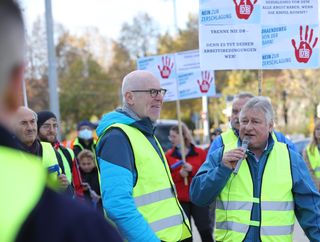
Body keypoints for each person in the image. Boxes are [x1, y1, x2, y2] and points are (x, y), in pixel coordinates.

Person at [0, 1, 122, 241]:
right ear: (17, 83)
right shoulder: (78, 227)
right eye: (46, 125)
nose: (33, 128)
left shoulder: (62, 154)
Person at [190, 96, 320, 241]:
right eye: (244, 121)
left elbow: (310, 210)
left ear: (270, 126)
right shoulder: (222, 154)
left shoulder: (290, 158)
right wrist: (222, 170)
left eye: (255, 121)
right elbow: (198, 197)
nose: (248, 127)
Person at [96, 70, 191, 241]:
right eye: (152, 92)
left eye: (161, 92)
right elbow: (117, 205)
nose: (160, 98)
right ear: (130, 97)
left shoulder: (144, 132)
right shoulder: (117, 137)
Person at [207, 92, 296, 157]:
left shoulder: (280, 140)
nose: (238, 116)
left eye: (242, 111)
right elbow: (202, 180)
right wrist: (222, 169)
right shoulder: (220, 142)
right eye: (234, 111)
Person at [165, 123, 213, 242]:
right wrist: (179, 175)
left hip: (198, 198)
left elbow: (209, 173)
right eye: (170, 137)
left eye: (173, 136)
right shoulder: (168, 156)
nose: (171, 139)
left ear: (183, 136)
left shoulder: (200, 153)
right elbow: (166, 178)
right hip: (180, 200)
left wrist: (192, 170)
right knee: (186, 234)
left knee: (204, 229)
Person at [12, 106, 69, 191]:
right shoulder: (5, 153)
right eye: (23, 123)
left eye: (32, 122)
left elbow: (67, 190)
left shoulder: (50, 150)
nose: (30, 128)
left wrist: (64, 186)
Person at [37, 110, 73, 183]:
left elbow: (74, 185)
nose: (52, 130)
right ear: (37, 128)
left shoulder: (67, 152)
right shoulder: (32, 152)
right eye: (46, 126)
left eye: (55, 126)